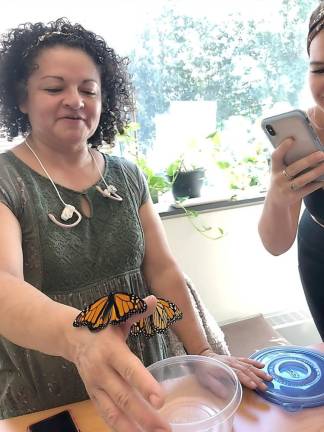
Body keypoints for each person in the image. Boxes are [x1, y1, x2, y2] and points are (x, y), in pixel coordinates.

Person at [0, 18, 271, 431]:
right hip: (54, 387)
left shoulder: (127, 175)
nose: (75, 100)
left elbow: (161, 268)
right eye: (54, 88)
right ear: (21, 97)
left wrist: (203, 350)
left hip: (152, 367)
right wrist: (80, 338)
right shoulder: (7, 180)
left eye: (88, 90)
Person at [259, 2, 324, 341]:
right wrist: (278, 195)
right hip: (319, 261)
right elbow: (275, 243)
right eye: (320, 69)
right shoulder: (303, 132)